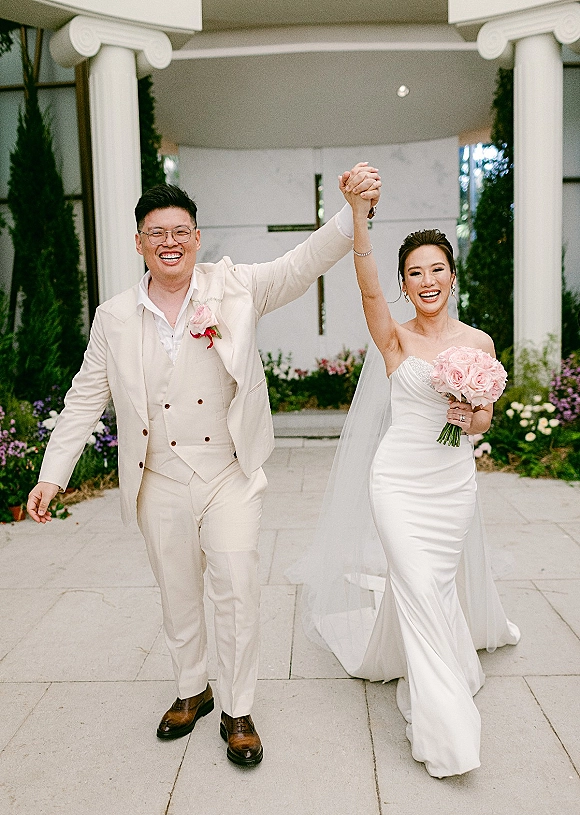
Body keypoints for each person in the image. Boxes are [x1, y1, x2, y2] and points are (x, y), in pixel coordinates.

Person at [26, 164, 381, 767]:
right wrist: (53, 472)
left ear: (196, 236)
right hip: (158, 476)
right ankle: (193, 688)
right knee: (177, 593)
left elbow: (301, 263)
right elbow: (87, 396)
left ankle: (239, 708)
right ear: (138, 242)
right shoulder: (114, 317)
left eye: (181, 230)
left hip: (228, 472)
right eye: (157, 232)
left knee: (238, 584)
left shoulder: (235, 287)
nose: (170, 241)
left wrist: (353, 210)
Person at [290, 183, 520, 778]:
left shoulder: (479, 344)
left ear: (451, 274)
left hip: (452, 485)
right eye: (414, 272)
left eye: (436, 269)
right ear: (403, 283)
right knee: (416, 583)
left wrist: (470, 415)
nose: (427, 280)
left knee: (435, 585)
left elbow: (485, 418)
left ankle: (451, 665)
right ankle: (445, 725)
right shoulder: (395, 339)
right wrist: (359, 219)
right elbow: (365, 284)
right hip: (397, 481)